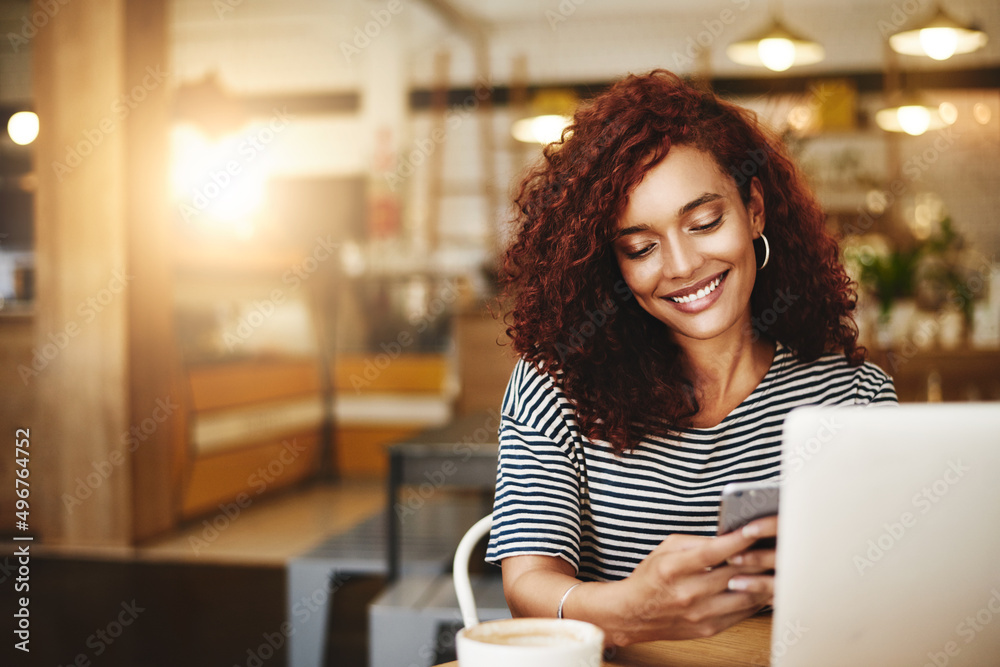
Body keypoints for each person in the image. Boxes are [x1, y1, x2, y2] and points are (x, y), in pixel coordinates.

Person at [485, 69, 897, 647]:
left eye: (704, 222)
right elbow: (527, 581)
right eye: (640, 246)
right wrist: (624, 610)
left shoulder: (853, 397)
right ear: (612, 265)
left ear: (754, 210)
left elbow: (895, 588)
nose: (680, 266)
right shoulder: (556, 386)